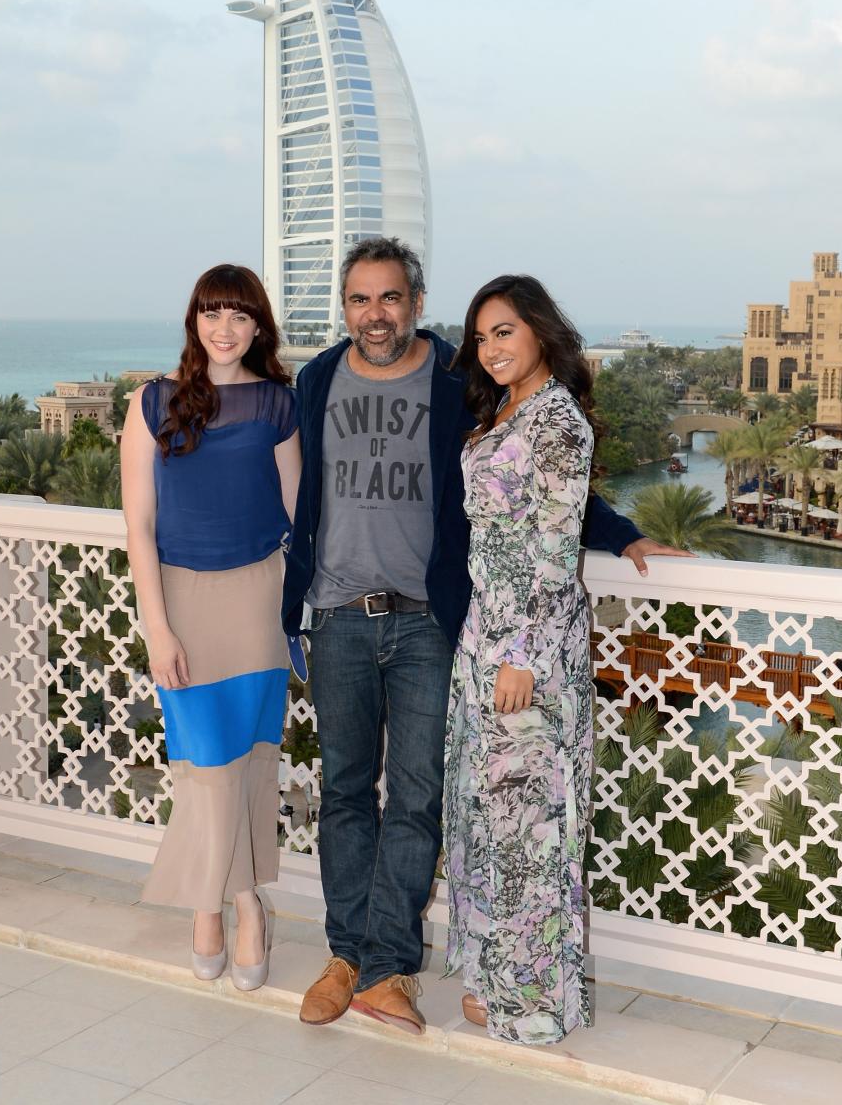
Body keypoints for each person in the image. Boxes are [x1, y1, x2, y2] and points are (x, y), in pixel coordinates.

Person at [283, 237, 688, 1034]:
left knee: (419, 799)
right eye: (360, 298)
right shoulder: (316, 378)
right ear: (344, 307)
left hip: (432, 620)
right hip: (335, 614)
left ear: (416, 299)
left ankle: (389, 967)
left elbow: (533, 477)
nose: (375, 313)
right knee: (343, 793)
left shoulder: (454, 378)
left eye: (390, 296)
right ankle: (345, 956)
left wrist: (626, 531)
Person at [121, 263, 300, 988]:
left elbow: (296, 515)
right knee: (203, 764)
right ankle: (221, 901)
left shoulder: (277, 405)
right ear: (194, 320)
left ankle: (237, 902)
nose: (224, 327)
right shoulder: (152, 402)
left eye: (239, 314)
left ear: (258, 327)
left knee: (250, 758)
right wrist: (156, 628)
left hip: (260, 599)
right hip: (182, 603)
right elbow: (138, 524)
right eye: (211, 311)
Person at [443, 274, 597, 1045]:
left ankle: (531, 1000)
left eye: (505, 330)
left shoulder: (558, 422)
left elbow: (556, 548)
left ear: (538, 330)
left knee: (528, 818)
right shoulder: (502, 409)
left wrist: (522, 656)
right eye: (481, 335)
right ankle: (498, 974)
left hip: (525, 648)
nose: (492, 346)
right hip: (485, 636)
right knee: (489, 812)